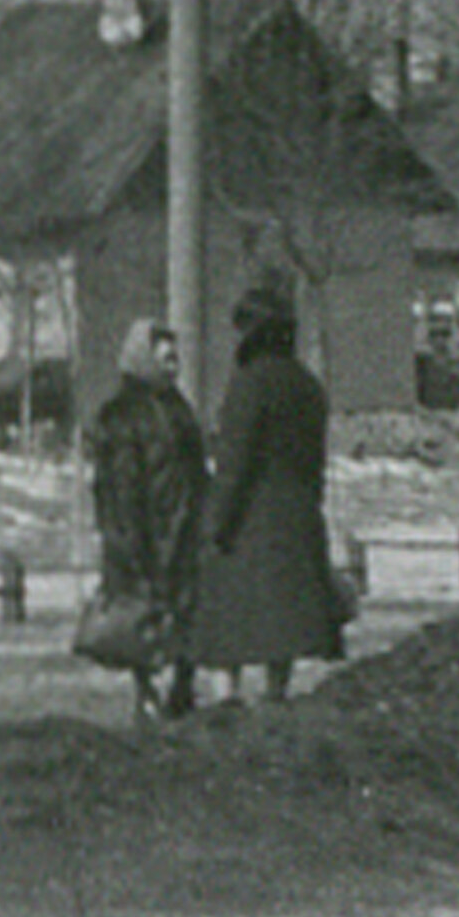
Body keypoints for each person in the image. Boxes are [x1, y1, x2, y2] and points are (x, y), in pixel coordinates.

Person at [184, 275, 346, 709]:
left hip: (250, 523)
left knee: (225, 619)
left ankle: (226, 699)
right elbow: (315, 463)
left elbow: (234, 464)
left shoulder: (249, 384)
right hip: (298, 516)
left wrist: (215, 522)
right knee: (283, 622)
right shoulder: (308, 386)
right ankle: (277, 693)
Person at [82, 317, 210, 722]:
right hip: (142, 529)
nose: (174, 368)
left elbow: (195, 470)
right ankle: (146, 692)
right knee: (143, 614)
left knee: (187, 609)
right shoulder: (121, 415)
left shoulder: (179, 408)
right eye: (166, 359)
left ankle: (182, 687)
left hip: (182, 526)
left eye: (176, 360)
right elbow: (119, 484)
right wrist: (125, 536)